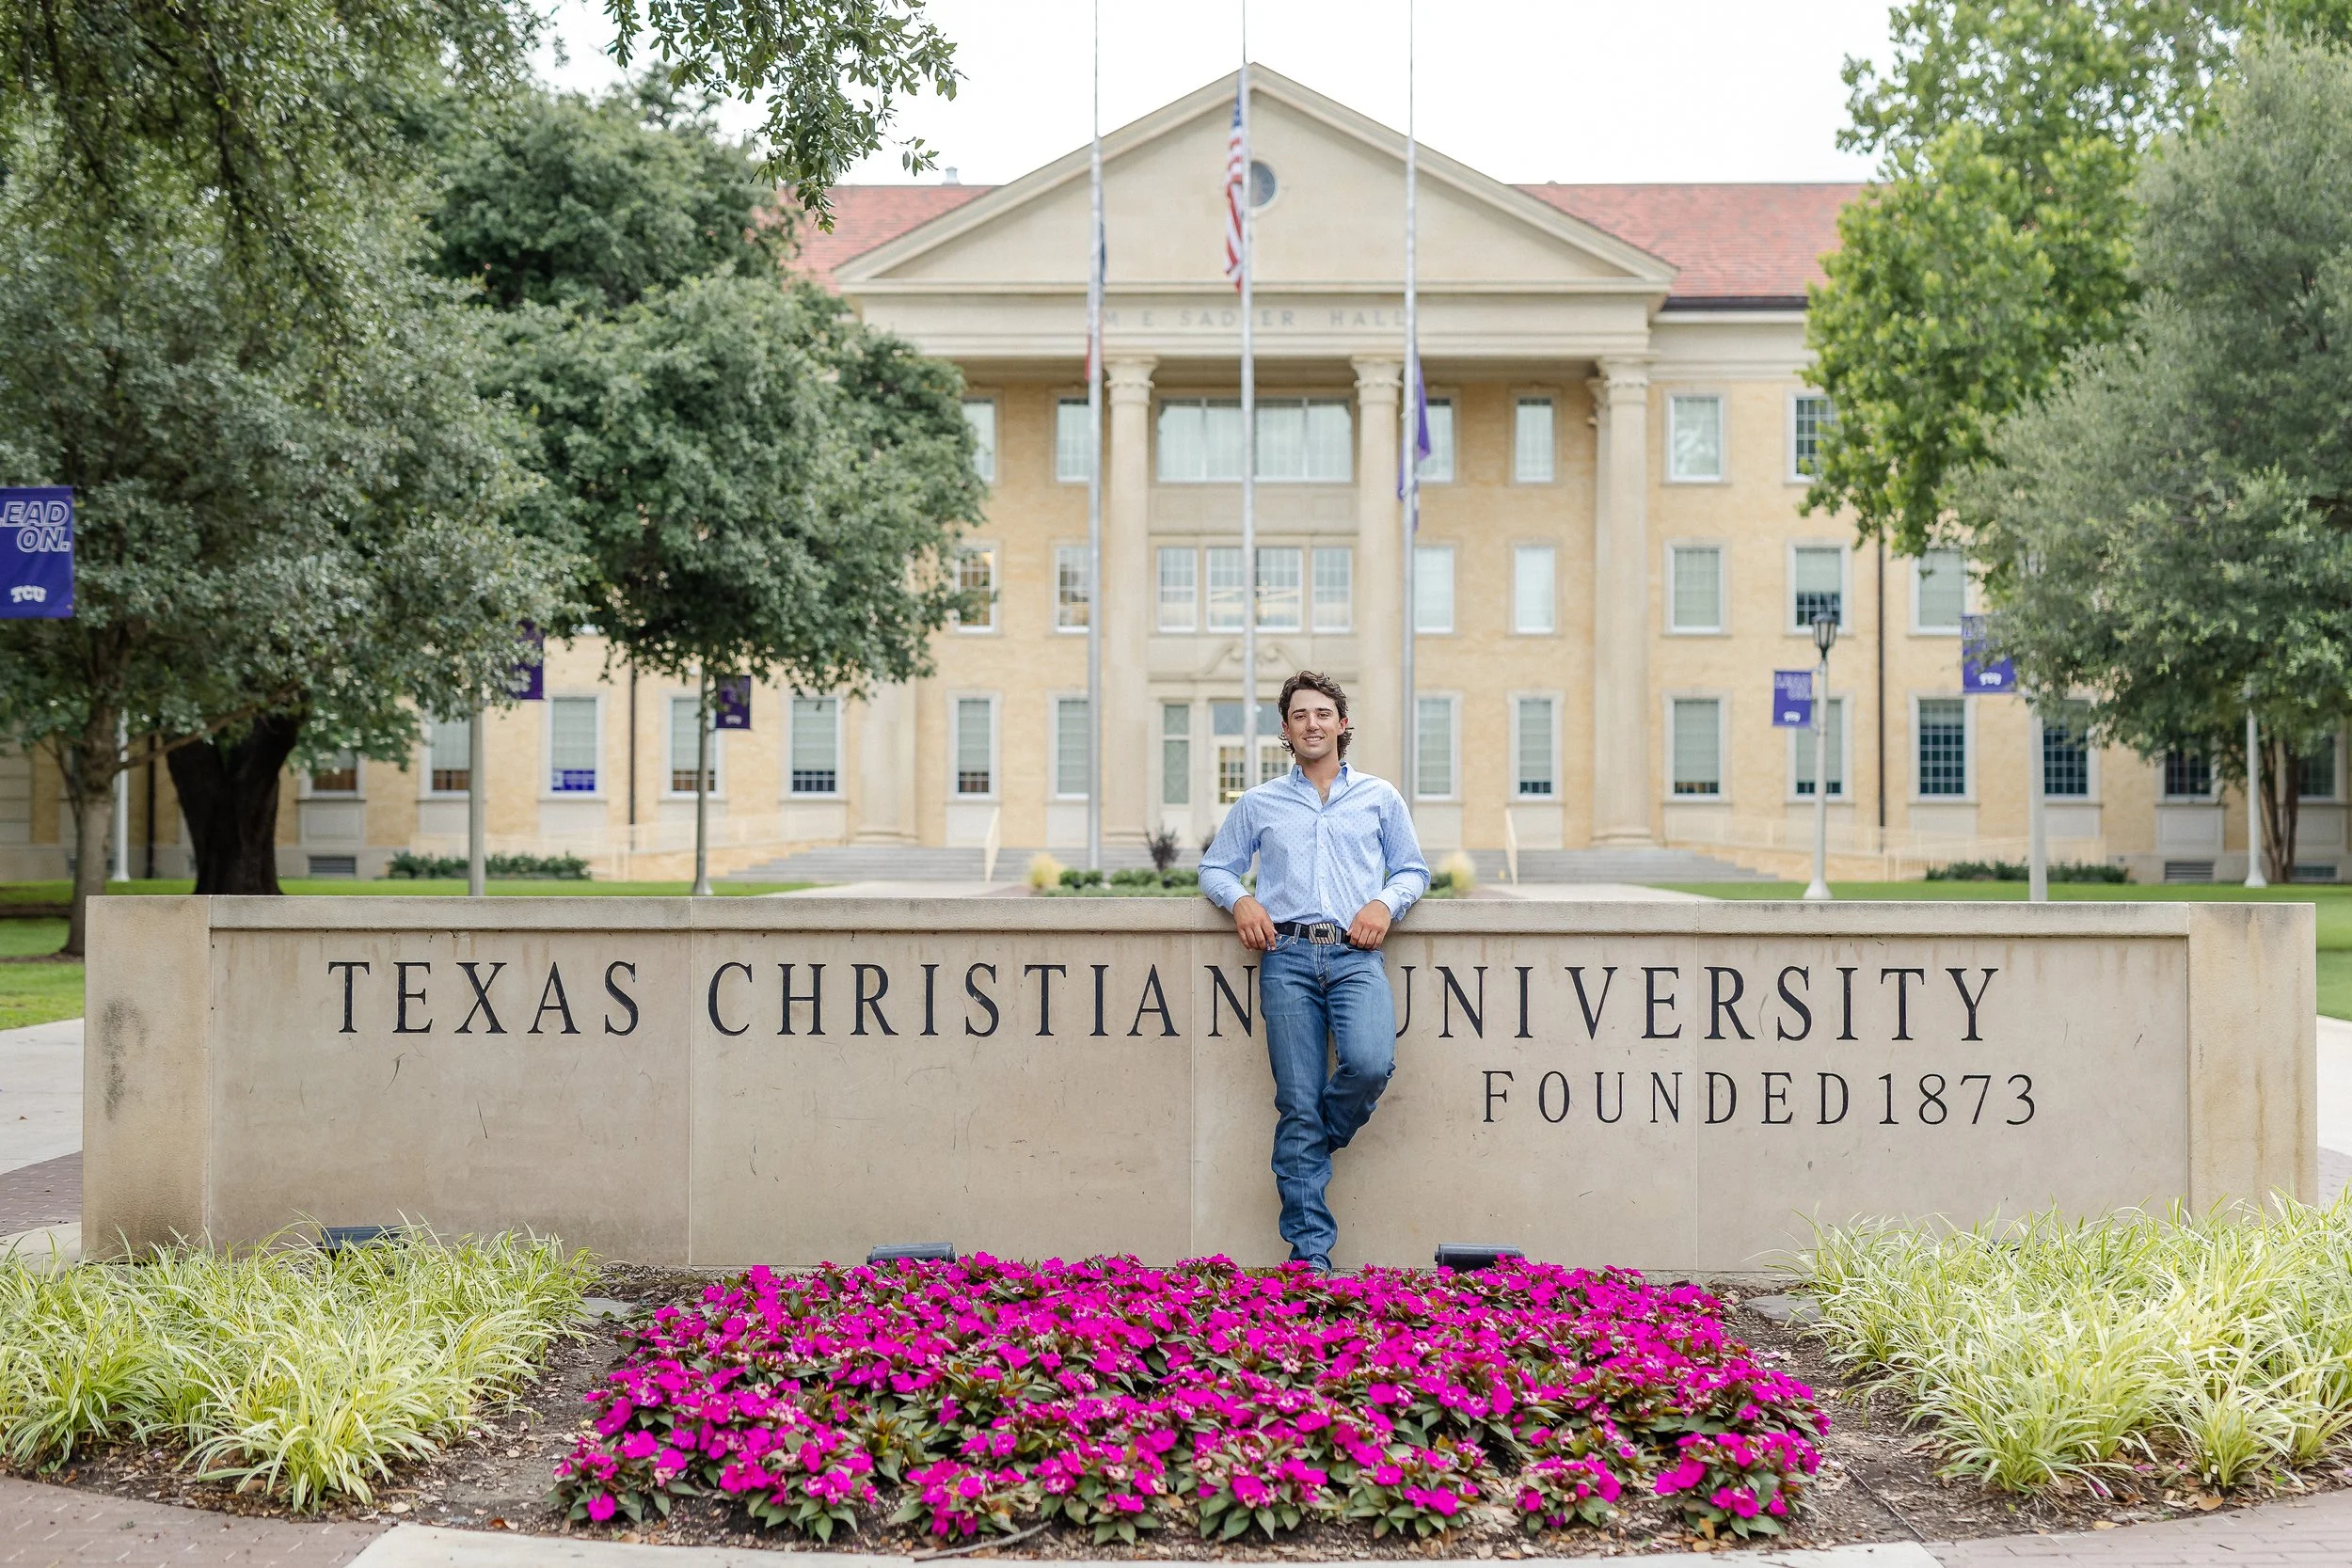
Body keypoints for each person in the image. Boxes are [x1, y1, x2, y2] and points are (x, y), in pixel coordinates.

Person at [1199, 670, 1429, 1275]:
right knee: (1296, 1102)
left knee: (1371, 1063)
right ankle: (1310, 1257)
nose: (1312, 724)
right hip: (1287, 959)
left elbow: (1412, 870)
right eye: (1300, 716)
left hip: (1356, 955)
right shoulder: (1259, 803)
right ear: (1286, 730)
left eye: (1322, 713)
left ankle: (1306, 1153)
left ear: (1342, 723)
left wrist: (1384, 903)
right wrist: (1241, 900)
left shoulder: (1380, 797)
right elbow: (1216, 868)